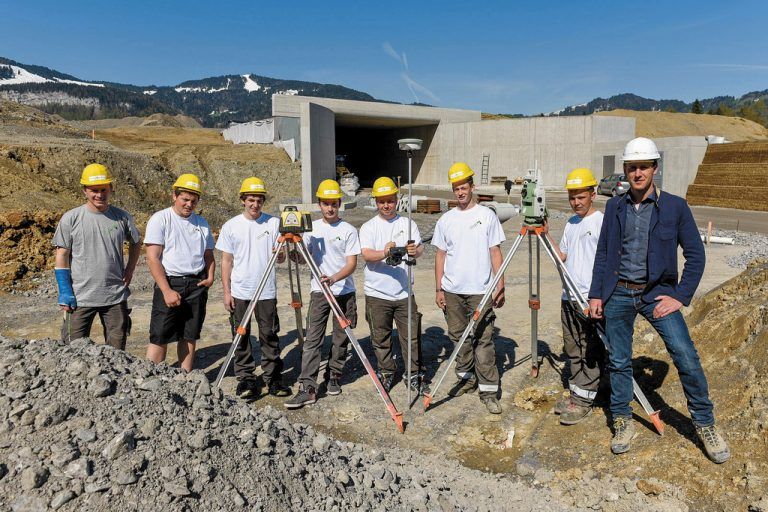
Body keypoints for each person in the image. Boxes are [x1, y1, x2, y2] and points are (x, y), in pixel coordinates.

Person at [589, 137, 730, 463]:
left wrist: (680, 296)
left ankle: (705, 423)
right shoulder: (615, 206)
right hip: (618, 293)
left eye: (643, 167)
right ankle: (622, 418)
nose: (637, 173)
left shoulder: (676, 207)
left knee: (686, 356)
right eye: (632, 167)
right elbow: (604, 253)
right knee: (619, 361)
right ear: (625, 170)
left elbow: (696, 255)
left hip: (657, 295)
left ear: (655, 168)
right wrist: (596, 294)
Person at [432, 162, 506, 414]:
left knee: (483, 339)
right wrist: (439, 288)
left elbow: (495, 251)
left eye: (463, 187)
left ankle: (488, 390)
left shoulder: (486, 216)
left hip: (481, 290)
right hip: (452, 290)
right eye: (456, 188)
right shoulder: (446, 220)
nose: (460, 192)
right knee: (457, 336)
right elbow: (440, 255)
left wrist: (500, 284)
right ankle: (466, 377)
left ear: (472, 187)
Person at [285, 179, 360, 409]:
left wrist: (334, 278)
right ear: (319, 204)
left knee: (340, 338)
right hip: (319, 292)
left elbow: (352, 263)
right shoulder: (311, 228)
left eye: (334, 204)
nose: (330, 208)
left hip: (343, 291)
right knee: (313, 340)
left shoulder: (348, 230)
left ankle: (334, 375)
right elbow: (301, 258)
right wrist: (292, 249)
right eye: (326, 204)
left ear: (339, 204)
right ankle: (308, 386)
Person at [216, 177, 291, 399]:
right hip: (241, 291)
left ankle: (273, 378)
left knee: (269, 334)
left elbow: (280, 259)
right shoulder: (231, 226)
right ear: (242, 200)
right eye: (251, 199)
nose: (255, 204)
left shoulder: (274, 223)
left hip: (266, 291)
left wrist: (281, 252)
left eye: (259, 200)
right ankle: (246, 378)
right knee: (241, 335)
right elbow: (226, 261)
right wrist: (227, 292)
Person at [53, 163, 141, 349]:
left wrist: (130, 269)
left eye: (103, 189)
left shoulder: (122, 217)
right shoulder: (71, 218)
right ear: (84, 190)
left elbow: (136, 242)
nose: (99, 194)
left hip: (115, 296)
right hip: (80, 297)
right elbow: (62, 254)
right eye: (94, 190)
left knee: (117, 351)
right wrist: (65, 290)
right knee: (73, 349)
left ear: (111, 189)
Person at [543, 168, 604, 425]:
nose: (576, 202)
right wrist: (545, 233)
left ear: (593, 193)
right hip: (568, 296)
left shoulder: (601, 222)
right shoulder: (571, 223)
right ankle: (578, 393)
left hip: (589, 298)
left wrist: (598, 297)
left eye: (581, 196)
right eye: (572, 197)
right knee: (573, 348)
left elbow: (607, 261)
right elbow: (563, 257)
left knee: (589, 350)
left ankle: (584, 401)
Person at [359, 176, 427, 394]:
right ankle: (387, 372)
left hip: (404, 292)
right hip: (377, 293)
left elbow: (419, 248)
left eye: (389, 200)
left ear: (396, 199)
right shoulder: (369, 227)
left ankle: (413, 373)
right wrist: (385, 252)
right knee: (380, 337)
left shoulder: (407, 223)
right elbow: (367, 255)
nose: (386, 205)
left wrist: (414, 251)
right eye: (381, 201)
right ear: (375, 202)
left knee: (411, 336)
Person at [144, 173, 215, 372]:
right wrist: (166, 290)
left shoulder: (202, 223)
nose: (189, 204)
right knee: (160, 334)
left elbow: (208, 254)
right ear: (174, 196)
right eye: (185, 199)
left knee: (189, 335)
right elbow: (153, 257)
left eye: (193, 200)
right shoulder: (161, 219)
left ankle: (185, 378)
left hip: (196, 284)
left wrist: (210, 277)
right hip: (170, 282)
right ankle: (152, 377)